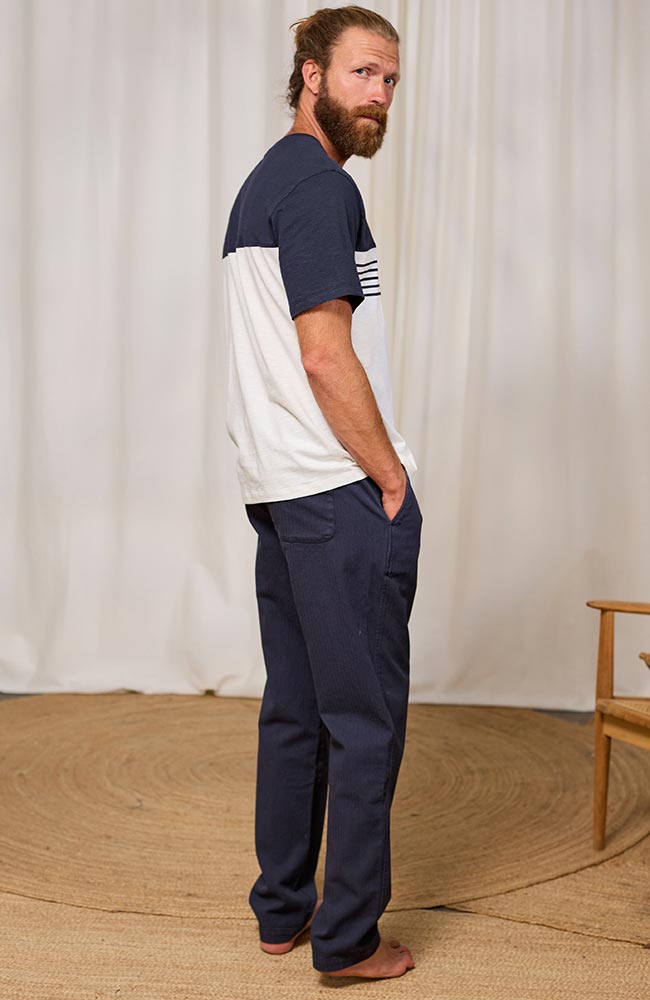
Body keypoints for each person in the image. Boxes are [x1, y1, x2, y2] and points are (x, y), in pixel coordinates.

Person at [222, 4, 422, 980]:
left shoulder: (266, 180)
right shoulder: (317, 186)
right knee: (364, 719)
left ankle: (281, 910)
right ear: (310, 74)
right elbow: (322, 352)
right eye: (361, 72)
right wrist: (389, 474)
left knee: (296, 710)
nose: (378, 94)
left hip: (279, 489)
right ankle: (347, 940)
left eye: (390, 80)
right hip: (336, 489)